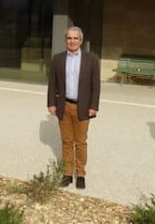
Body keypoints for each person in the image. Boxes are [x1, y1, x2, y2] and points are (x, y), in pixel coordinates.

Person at [47, 26, 101, 189]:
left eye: (75, 38)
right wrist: (51, 103)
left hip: (83, 107)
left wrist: (93, 106)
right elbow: (53, 84)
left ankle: (81, 174)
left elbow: (95, 86)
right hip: (64, 105)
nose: (72, 41)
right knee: (66, 141)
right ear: (65, 40)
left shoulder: (91, 59)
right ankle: (67, 173)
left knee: (81, 142)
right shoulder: (57, 59)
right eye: (69, 38)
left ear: (81, 41)